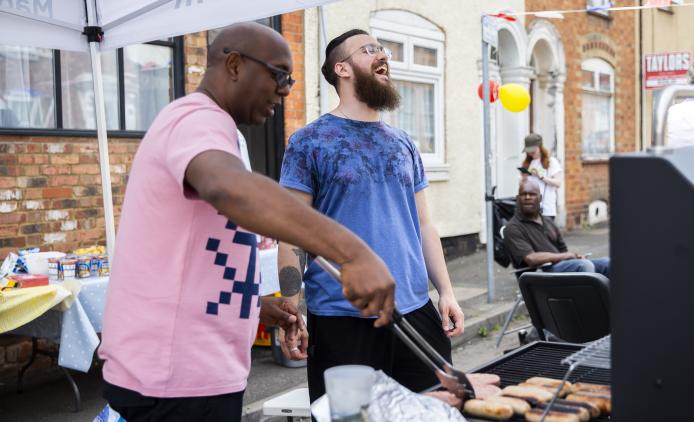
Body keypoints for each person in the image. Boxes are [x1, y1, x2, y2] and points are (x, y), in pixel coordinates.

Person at [98, 23, 396, 422]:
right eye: (278, 75)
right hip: (172, 379)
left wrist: (252, 307)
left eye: (289, 79)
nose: (286, 89)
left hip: (195, 370)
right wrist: (352, 253)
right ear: (235, 65)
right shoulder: (193, 119)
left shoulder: (223, 133)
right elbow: (230, 191)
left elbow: (194, 255)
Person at [277, 28, 464, 402]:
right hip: (342, 318)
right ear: (342, 69)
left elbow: (424, 224)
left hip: (414, 311)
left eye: (383, 49)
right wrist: (292, 308)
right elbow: (291, 232)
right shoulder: (309, 142)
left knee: (433, 411)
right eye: (370, 50)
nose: (383, 56)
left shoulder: (403, 143)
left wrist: (445, 291)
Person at [504, 180, 610, 277]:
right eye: (523, 194)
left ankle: (612, 297)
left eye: (532, 194)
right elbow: (531, 259)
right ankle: (588, 298)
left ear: (540, 198)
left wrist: (573, 257)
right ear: (517, 199)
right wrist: (566, 257)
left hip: (561, 265)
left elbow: (563, 250)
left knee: (607, 263)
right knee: (584, 266)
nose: (527, 197)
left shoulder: (547, 221)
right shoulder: (513, 228)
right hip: (541, 272)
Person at [519, 133, 562, 221]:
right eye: (529, 151)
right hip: (529, 209)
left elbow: (558, 183)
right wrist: (524, 178)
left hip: (546, 209)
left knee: (544, 234)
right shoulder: (527, 163)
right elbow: (522, 187)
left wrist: (541, 177)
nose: (531, 153)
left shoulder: (551, 161)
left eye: (533, 150)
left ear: (540, 147)